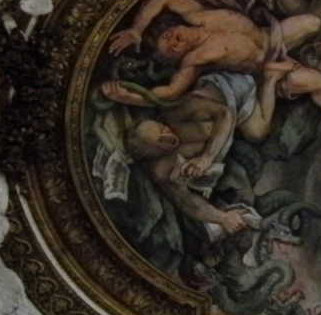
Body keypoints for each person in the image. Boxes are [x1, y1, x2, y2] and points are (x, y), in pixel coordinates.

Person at [106, 0, 321, 126]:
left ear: (171, 25)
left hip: (272, 37)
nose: (174, 42)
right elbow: (170, 92)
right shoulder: (195, 60)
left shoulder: (196, 14)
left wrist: (136, 30)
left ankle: (316, 48)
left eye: (168, 36)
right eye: (172, 50)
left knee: (312, 23)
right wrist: (130, 98)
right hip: (265, 69)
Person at [103, 63, 288, 235]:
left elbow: (225, 113)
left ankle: (270, 77)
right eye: (160, 142)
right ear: (150, 154)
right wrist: (222, 218)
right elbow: (185, 201)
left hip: (232, 89)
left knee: (258, 134)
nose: (169, 136)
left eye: (163, 130)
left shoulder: (178, 112)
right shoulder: (161, 170)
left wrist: (206, 157)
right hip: (231, 126)